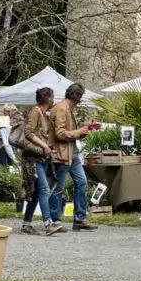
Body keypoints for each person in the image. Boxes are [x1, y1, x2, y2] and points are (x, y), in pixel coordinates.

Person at [48, 83, 97, 231]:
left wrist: (84, 130)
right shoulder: (62, 109)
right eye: (80, 98)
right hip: (62, 154)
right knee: (58, 188)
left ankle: (79, 219)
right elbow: (60, 133)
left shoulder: (67, 108)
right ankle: (55, 220)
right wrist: (80, 132)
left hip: (72, 152)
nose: (80, 101)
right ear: (76, 97)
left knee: (81, 183)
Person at [20, 87, 64, 236]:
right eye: (52, 97)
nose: (54, 100)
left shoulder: (43, 114)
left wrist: (49, 147)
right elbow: (28, 132)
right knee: (44, 189)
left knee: (38, 191)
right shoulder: (35, 112)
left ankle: (26, 224)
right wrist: (44, 145)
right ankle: (48, 224)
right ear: (48, 99)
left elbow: (40, 135)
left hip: (40, 157)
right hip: (32, 159)